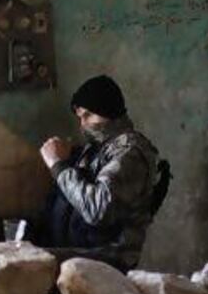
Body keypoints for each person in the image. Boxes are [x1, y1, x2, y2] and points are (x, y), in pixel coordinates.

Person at [38, 75, 170, 272]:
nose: (83, 125)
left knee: (35, 266)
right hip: (80, 250)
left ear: (108, 111)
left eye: (89, 115)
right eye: (80, 117)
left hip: (108, 258)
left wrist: (58, 166)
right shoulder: (99, 147)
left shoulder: (130, 152)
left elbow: (97, 210)